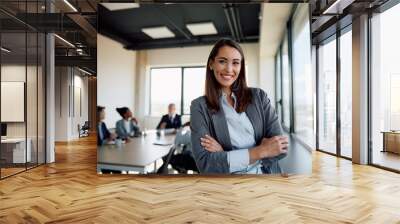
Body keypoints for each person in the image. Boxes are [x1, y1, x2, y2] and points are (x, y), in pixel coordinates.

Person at [190, 38, 289, 174]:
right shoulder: (199, 107)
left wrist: (225, 154)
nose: (229, 69)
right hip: (229, 187)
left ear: (241, 66)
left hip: (267, 180)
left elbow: (280, 147)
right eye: (222, 61)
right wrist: (262, 151)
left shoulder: (259, 97)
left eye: (235, 63)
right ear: (211, 64)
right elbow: (206, 164)